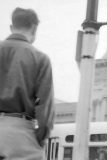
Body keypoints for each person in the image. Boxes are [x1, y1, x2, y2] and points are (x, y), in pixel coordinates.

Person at [0, 7, 55, 159]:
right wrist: (39, 138)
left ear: (12, 27)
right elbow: (45, 109)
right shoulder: (40, 58)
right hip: (20, 133)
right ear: (34, 29)